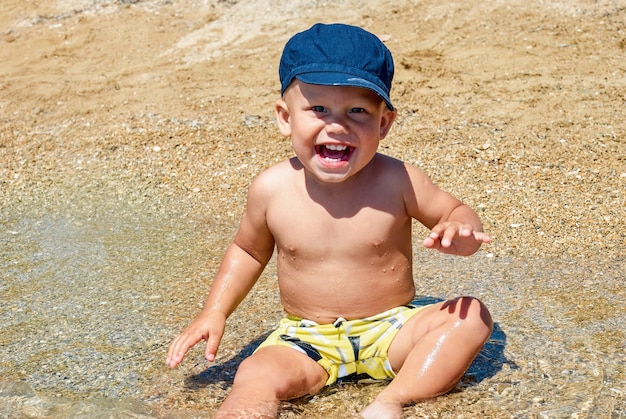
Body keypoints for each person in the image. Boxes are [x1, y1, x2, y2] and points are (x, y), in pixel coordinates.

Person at [166, 23, 493, 418]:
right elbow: (248, 251)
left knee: (470, 317)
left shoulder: (398, 180)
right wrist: (214, 311)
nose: (337, 125)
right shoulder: (272, 189)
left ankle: (391, 401)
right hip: (306, 338)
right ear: (285, 118)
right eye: (318, 109)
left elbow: (453, 212)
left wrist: (461, 230)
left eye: (357, 111)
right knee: (256, 373)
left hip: (391, 330)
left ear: (384, 124)